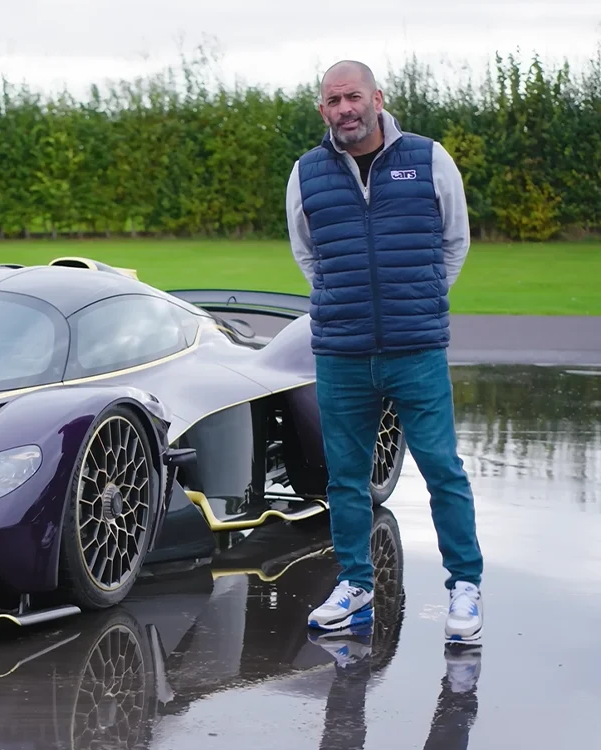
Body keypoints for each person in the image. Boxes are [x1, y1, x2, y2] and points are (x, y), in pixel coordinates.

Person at [284, 60, 484, 644]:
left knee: (442, 470)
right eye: (333, 100)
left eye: (353, 97)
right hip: (341, 351)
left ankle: (464, 586)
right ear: (322, 109)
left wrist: (418, 301)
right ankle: (355, 585)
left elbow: (454, 241)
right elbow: (308, 254)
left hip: (415, 349)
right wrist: (345, 304)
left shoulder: (429, 158)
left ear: (376, 99)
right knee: (345, 478)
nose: (344, 109)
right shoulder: (305, 172)